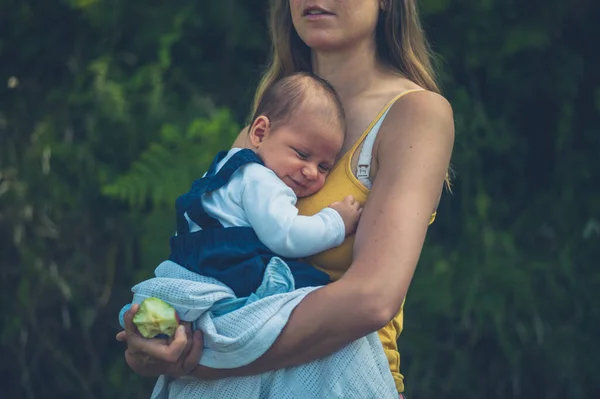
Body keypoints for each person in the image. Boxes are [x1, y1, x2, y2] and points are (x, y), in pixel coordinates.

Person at [117, 0, 455, 397]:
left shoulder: (415, 114)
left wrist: (209, 359)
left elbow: (372, 299)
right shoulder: (260, 133)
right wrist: (156, 345)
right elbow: (212, 268)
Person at [119, 73, 362, 330]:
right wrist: (335, 222)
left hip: (193, 263)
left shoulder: (229, 165)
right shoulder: (263, 181)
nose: (311, 171)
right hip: (230, 267)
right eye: (302, 154)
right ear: (259, 133)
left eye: (324, 166)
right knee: (315, 291)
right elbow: (286, 235)